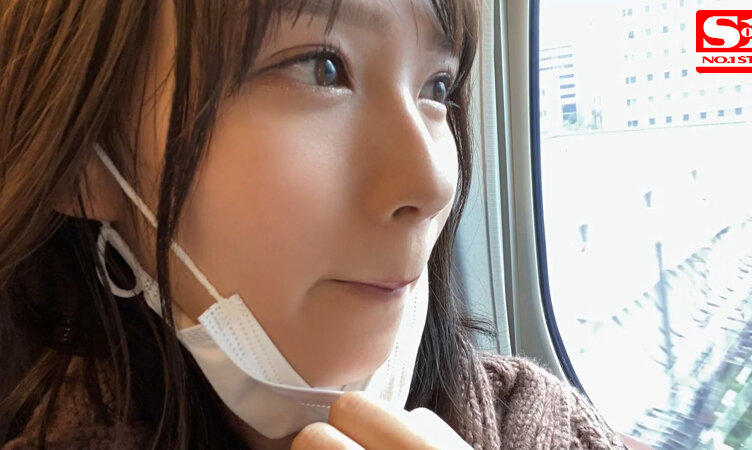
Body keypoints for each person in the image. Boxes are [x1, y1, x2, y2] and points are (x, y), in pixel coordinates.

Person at [0, 0, 625, 448]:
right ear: (85, 165)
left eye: (437, 87)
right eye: (321, 67)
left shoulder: (548, 427)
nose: (433, 183)